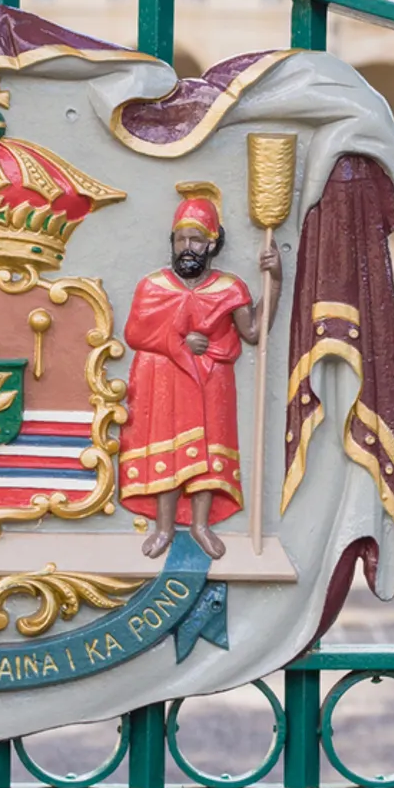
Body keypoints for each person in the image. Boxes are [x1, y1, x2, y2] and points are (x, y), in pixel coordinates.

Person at [119, 183, 280, 560]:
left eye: (196, 240)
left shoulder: (229, 288)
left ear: (212, 244)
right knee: (169, 449)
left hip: (212, 383)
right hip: (166, 383)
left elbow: (253, 332)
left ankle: (201, 525)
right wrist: (178, 341)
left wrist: (276, 281)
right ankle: (163, 528)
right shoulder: (153, 286)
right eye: (181, 239)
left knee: (207, 452)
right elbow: (135, 333)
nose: (187, 247)